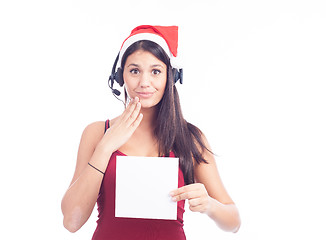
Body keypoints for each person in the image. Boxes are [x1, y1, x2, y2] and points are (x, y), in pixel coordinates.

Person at [61, 25, 241, 239]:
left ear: (171, 76)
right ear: (121, 77)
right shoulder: (98, 133)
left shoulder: (190, 138)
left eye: (155, 71)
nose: (144, 82)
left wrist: (209, 205)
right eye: (135, 71)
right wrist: (106, 147)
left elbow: (234, 222)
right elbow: (72, 221)